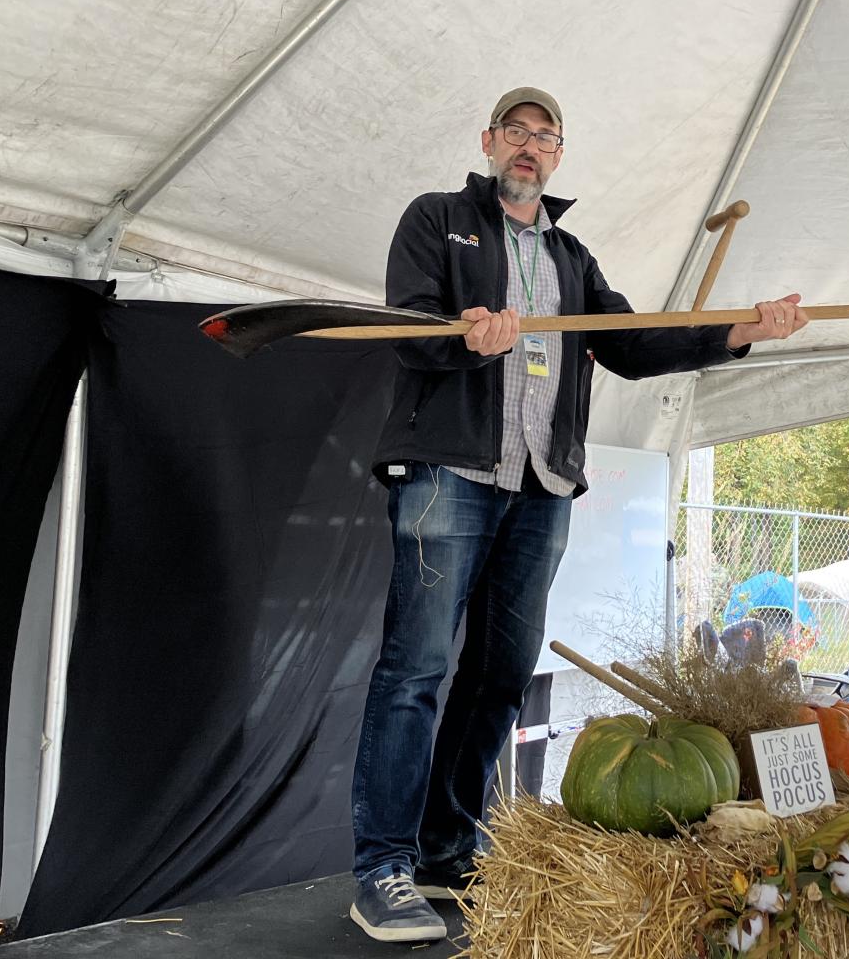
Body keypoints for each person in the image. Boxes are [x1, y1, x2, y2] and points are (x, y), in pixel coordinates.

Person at [347, 87, 809, 942]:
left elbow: (634, 345)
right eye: (516, 132)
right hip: (450, 473)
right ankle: (382, 868)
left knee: (498, 678)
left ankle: (448, 853)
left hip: (542, 487)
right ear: (489, 142)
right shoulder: (439, 220)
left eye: (545, 137)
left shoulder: (572, 258)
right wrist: (460, 335)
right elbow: (399, 329)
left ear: (558, 157)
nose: (529, 147)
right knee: (414, 673)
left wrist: (742, 332)